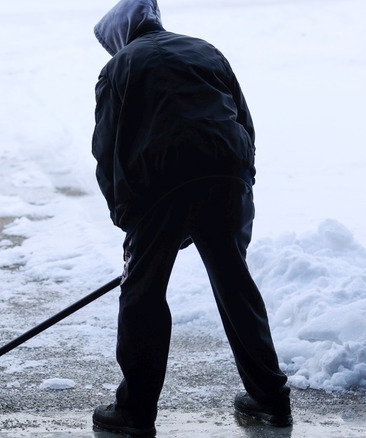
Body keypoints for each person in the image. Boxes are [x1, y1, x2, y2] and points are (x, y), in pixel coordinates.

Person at [90, 0, 292, 435]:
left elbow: (107, 152)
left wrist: (132, 222)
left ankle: (135, 412)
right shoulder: (206, 49)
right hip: (226, 173)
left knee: (142, 295)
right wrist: (238, 179)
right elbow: (243, 119)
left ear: (119, 36)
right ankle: (271, 398)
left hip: (163, 180)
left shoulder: (119, 68)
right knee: (235, 284)